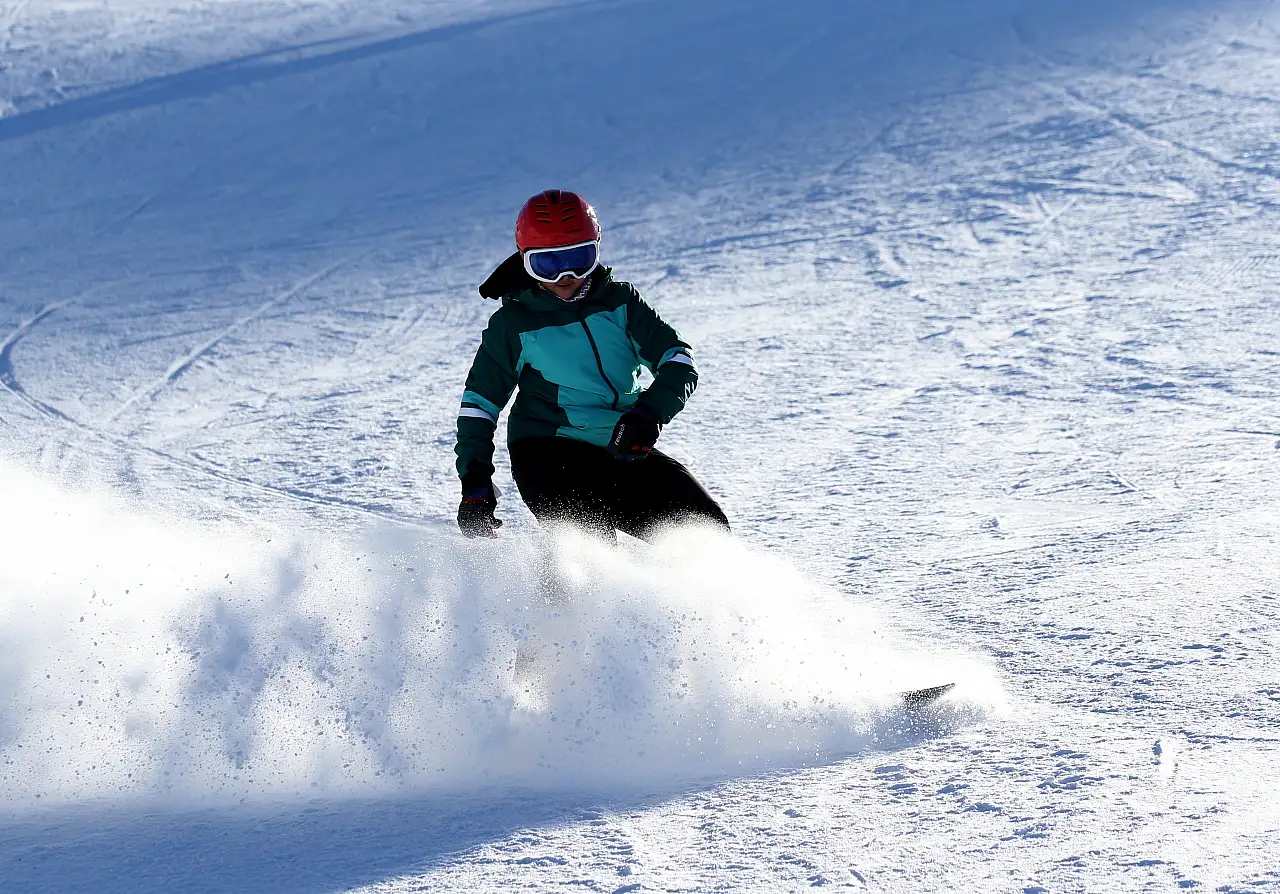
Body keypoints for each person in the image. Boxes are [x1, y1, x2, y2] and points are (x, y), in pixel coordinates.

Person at [454, 189, 729, 541]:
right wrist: (475, 482)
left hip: (618, 444)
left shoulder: (620, 303)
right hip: (547, 451)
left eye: (580, 258)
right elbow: (479, 406)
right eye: (548, 264)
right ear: (524, 260)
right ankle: (551, 595)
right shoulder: (514, 324)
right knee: (588, 546)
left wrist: (648, 414)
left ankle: (697, 596)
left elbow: (677, 359)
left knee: (704, 532)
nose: (566, 275)